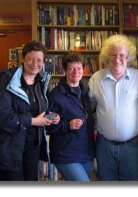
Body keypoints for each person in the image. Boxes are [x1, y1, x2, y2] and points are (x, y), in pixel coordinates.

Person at [0, 41, 60, 181]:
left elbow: (44, 108)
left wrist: (52, 116)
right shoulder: (7, 80)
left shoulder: (41, 82)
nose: (35, 64)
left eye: (39, 60)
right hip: (10, 146)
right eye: (30, 59)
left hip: (33, 146)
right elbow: (2, 116)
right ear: (22, 59)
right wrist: (34, 121)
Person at [88, 34, 138, 181]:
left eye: (121, 55)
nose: (117, 59)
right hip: (104, 146)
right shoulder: (96, 79)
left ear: (128, 58)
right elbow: (90, 108)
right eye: (113, 55)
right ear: (107, 57)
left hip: (132, 146)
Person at [47, 52, 95, 181]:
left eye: (79, 68)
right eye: (71, 68)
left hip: (86, 152)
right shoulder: (55, 95)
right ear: (65, 71)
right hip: (66, 154)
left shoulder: (86, 93)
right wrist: (67, 125)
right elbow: (47, 125)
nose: (76, 72)